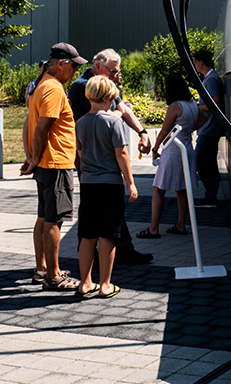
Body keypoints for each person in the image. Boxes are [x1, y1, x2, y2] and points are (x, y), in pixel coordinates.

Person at [66, 48, 152, 264]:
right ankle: (93, 258)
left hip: (99, 163)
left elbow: (123, 108)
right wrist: (130, 182)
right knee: (92, 215)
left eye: (117, 71)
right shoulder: (83, 86)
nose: (116, 75)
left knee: (109, 211)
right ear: (98, 67)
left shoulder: (106, 84)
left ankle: (122, 249)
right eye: (113, 71)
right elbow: (102, 117)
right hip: (93, 159)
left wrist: (141, 132)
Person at [21, 43, 87, 292]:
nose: (75, 72)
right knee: (54, 221)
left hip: (47, 163)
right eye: (74, 66)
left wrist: (31, 157)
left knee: (44, 217)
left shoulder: (40, 84)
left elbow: (29, 123)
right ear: (61, 64)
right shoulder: (54, 89)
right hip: (55, 163)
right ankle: (53, 276)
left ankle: (43, 269)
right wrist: (35, 157)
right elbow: (41, 128)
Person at [75, 75, 138, 298]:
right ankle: (105, 284)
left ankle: (84, 283)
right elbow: (121, 154)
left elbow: (80, 154)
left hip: (88, 184)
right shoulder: (113, 122)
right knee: (108, 235)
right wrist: (130, 183)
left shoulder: (80, 123)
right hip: (110, 184)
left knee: (87, 234)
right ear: (108, 98)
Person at [138, 74, 205, 239]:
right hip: (188, 148)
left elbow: (164, 130)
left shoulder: (175, 106)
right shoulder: (192, 104)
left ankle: (153, 228)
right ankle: (181, 224)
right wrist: (189, 129)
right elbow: (203, 118)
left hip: (173, 150)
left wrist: (155, 148)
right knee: (182, 189)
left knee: (158, 188)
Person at [191, 49, 223, 205]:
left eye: (195, 61)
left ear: (201, 61)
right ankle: (211, 196)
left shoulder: (211, 79)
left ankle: (211, 196)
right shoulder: (210, 78)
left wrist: (196, 108)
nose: (195, 65)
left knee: (200, 162)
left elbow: (215, 103)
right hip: (208, 128)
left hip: (210, 129)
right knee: (208, 162)